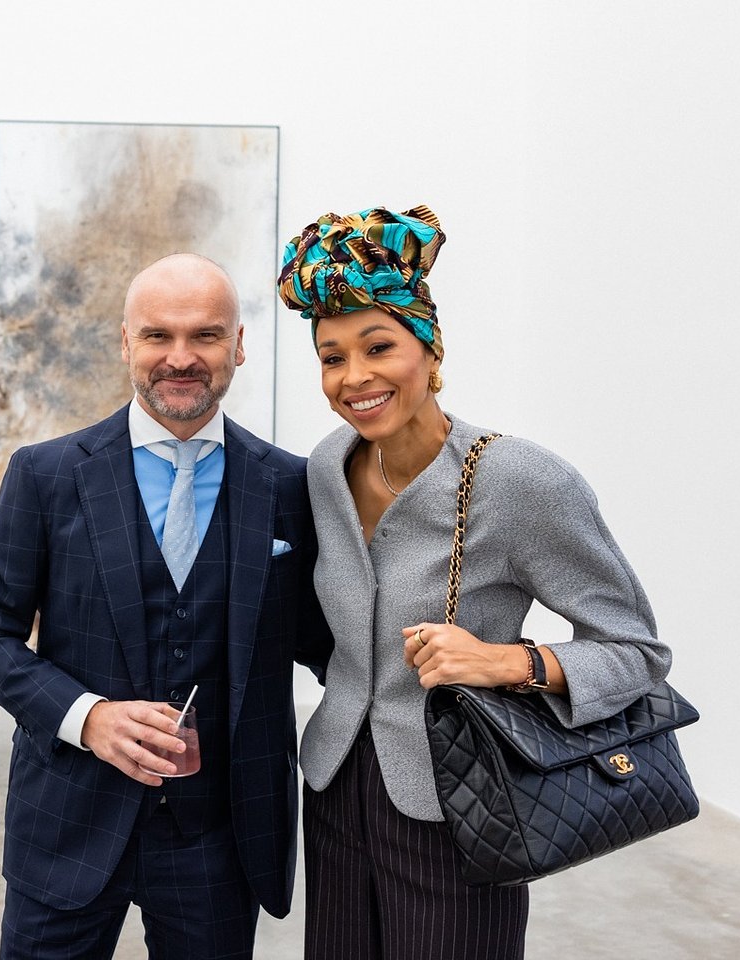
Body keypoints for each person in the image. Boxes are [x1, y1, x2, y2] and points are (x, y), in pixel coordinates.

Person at [278, 206, 673, 959]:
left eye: (378, 346)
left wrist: (508, 663)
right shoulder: (326, 468)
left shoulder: (518, 480)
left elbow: (636, 651)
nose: (354, 377)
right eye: (332, 357)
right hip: (332, 788)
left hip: (463, 801)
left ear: (429, 348)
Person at [0, 253, 332, 959]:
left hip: (219, 839)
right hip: (67, 819)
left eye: (205, 336)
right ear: (126, 343)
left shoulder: (290, 486)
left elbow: (328, 643)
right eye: (158, 336)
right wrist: (87, 717)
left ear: (239, 346)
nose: (181, 357)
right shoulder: (47, 475)